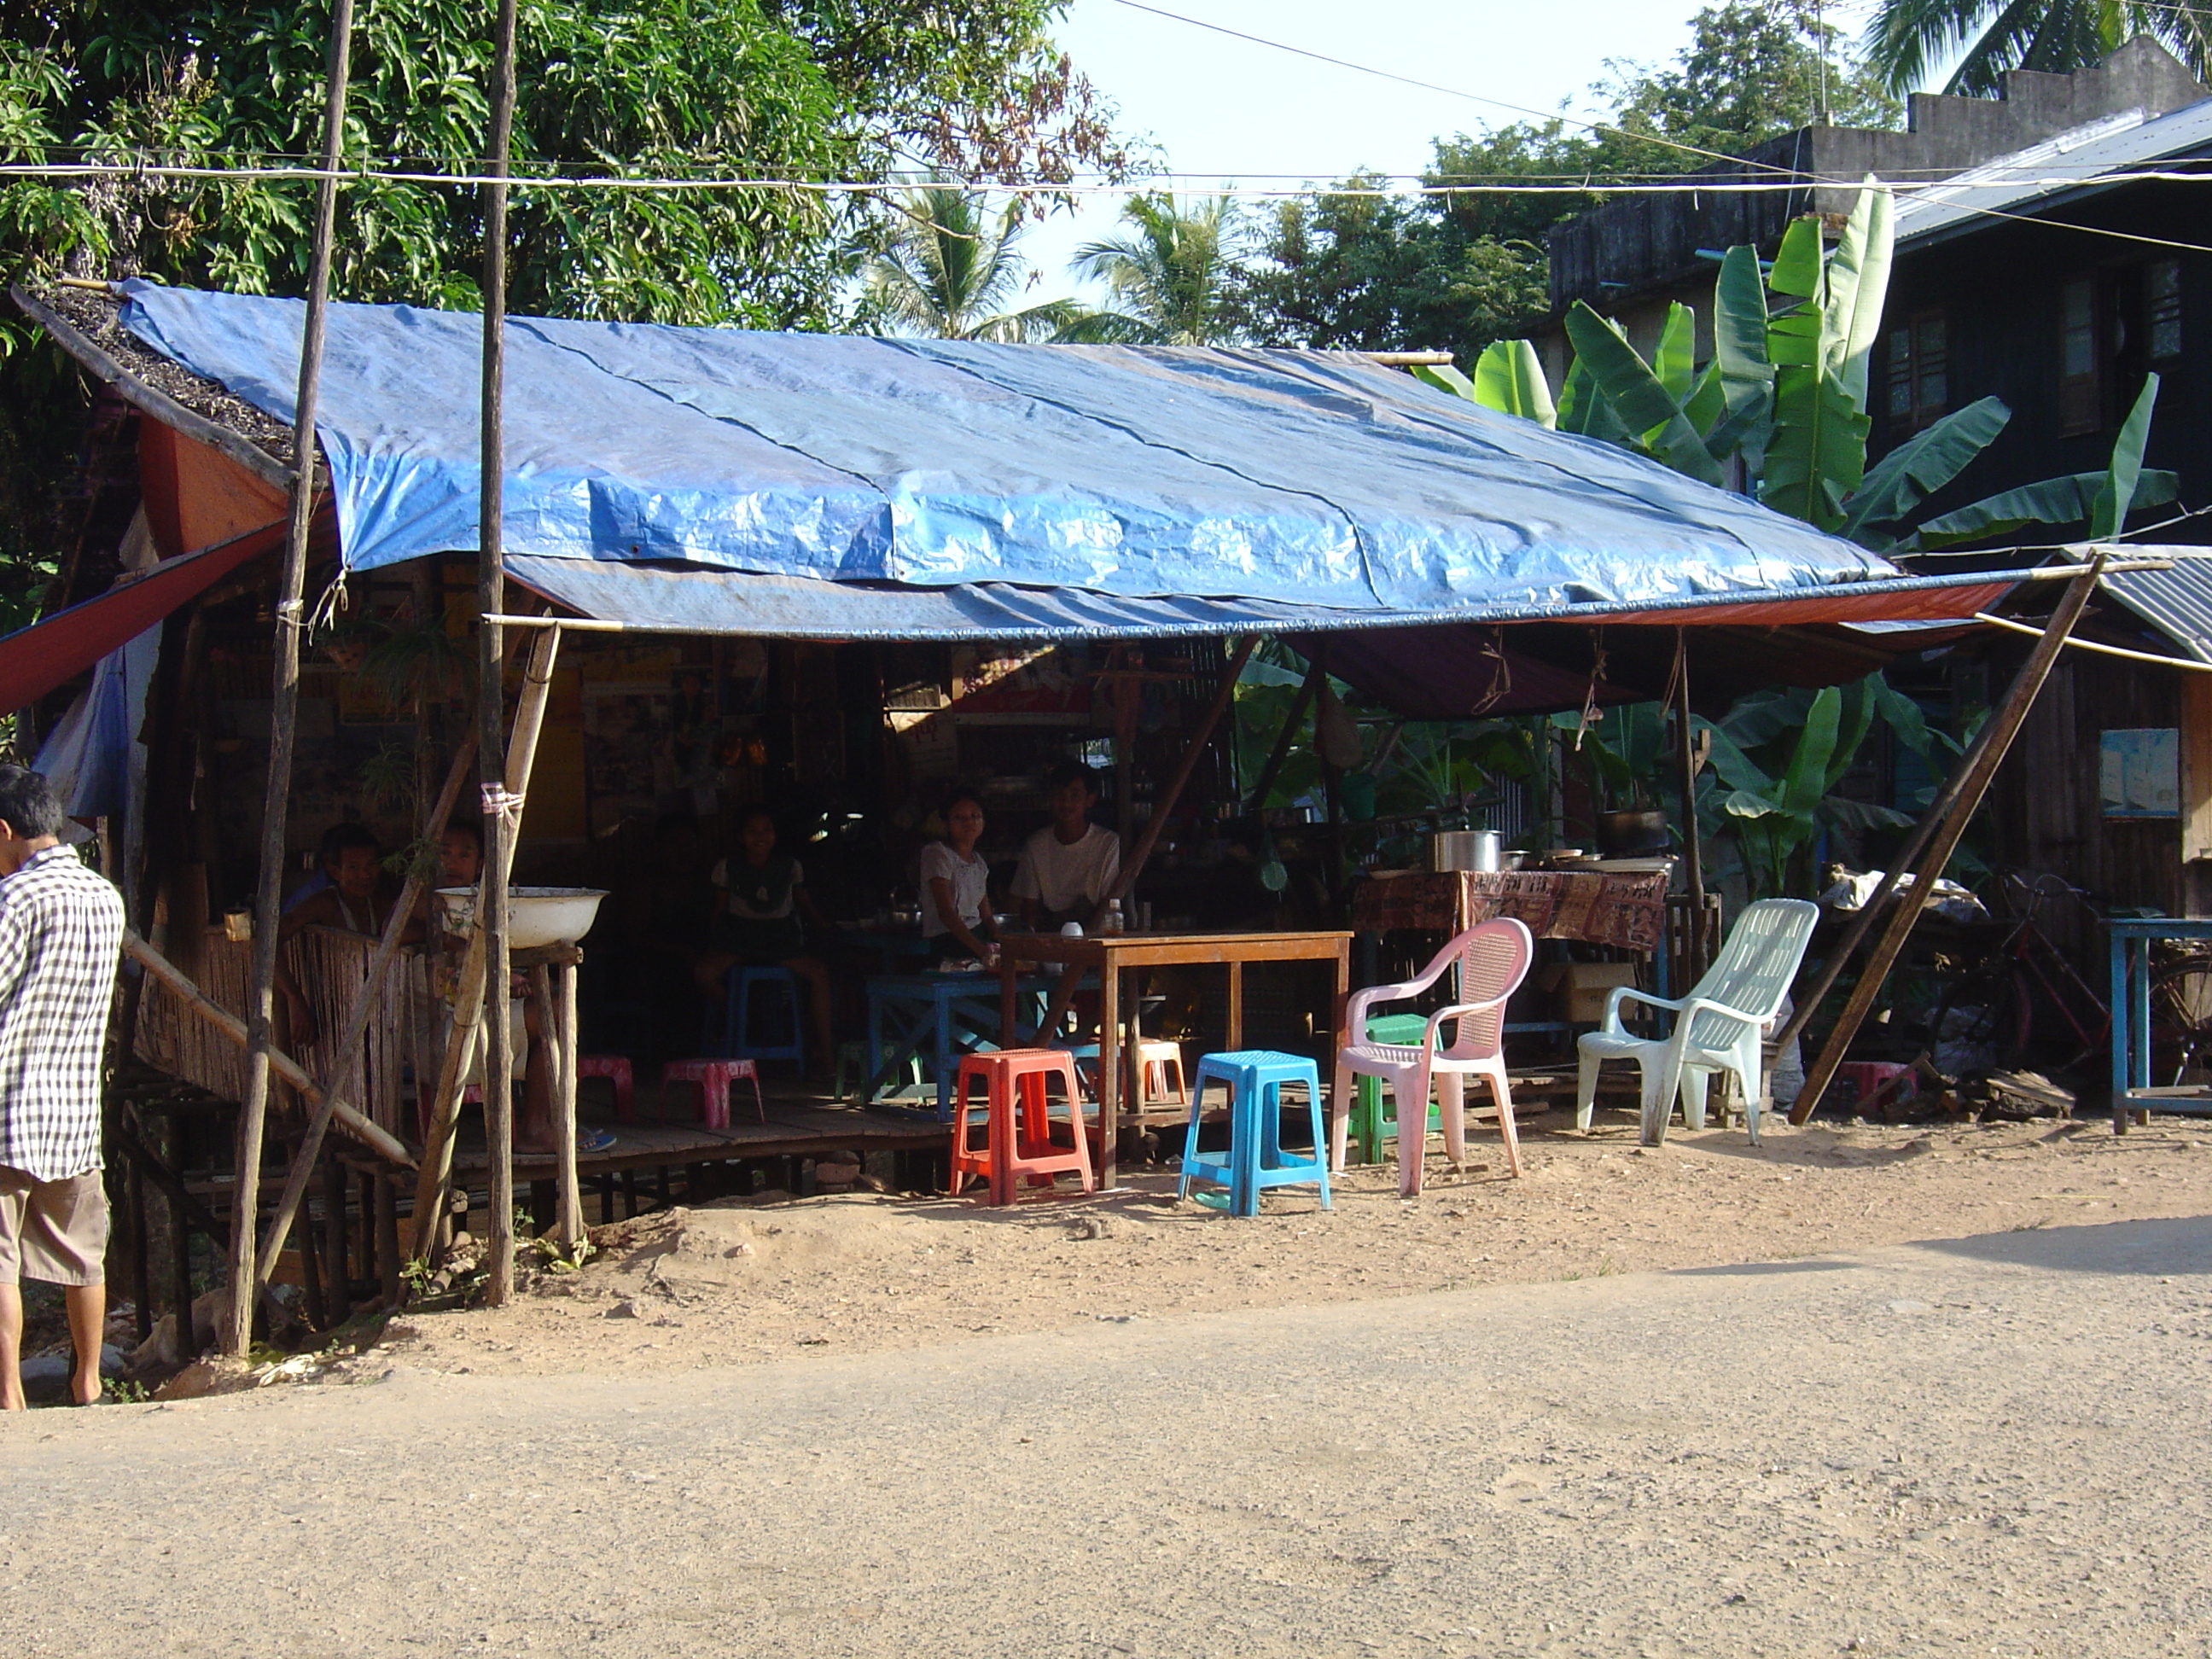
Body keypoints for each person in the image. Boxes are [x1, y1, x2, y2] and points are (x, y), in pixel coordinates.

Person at [0, 765, 125, 1410]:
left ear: (4, 831)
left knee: (0, 1260)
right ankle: (88, 1383)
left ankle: (10, 1396)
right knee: (83, 1257)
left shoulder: (15, 900)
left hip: (7, 1108)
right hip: (74, 1111)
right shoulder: (105, 896)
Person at [425, 818, 611, 1155]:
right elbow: (444, 946)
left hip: (482, 1012)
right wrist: (491, 971)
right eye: (444, 853)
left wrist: (512, 979)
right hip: (439, 1027)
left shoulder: (486, 904)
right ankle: (536, 1128)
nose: (453, 862)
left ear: (481, 863)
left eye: (464, 855)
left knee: (555, 1008)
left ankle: (541, 1124)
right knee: (552, 1012)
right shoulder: (419, 905)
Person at [693, 809, 835, 1074]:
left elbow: (802, 900)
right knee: (703, 973)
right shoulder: (727, 866)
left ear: (775, 835)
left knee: (819, 973)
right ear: (740, 837)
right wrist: (714, 942)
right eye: (752, 832)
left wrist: (821, 923)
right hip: (738, 939)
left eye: (767, 830)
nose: (761, 837)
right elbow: (720, 908)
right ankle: (745, 1018)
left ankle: (827, 1058)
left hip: (781, 940)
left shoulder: (790, 866)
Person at [1013, 760, 1122, 931]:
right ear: (1050, 797)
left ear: (1090, 800)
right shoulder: (1037, 845)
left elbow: (1109, 904)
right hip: (1051, 934)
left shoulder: (1108, 844)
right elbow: (1029, 905)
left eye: (1075, 795)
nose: (1066, 803)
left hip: (1097, 933)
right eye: (1059, 795)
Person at [921, 788, 997, 963]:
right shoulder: (937, 854)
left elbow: (986, 915)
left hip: (978, 935)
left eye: (975, 816)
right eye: (958, 818)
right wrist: (980, 950)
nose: (968, 822)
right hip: (949, 939)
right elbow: (946, 913)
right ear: (946, 823)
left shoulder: (979, 863)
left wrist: (1002, 940)